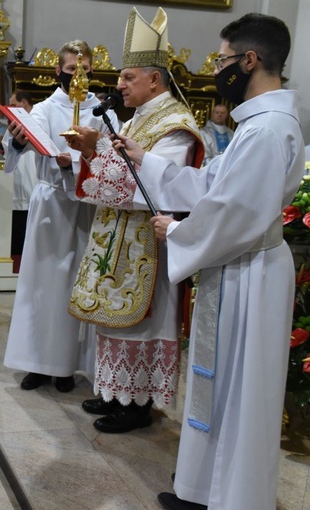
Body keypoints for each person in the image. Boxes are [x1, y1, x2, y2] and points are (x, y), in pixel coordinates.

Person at [113, 14, 303, 510]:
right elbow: (214, 185)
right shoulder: (257, 124)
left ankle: (234, 499)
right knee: (220, 386)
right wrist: (146, 161)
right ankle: (202, 489)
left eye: (221, 60)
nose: (216, 70)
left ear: (249, 60)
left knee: (242, 392)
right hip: (237, 268)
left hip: (252, 273)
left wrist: (178, 231)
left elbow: (238, 214)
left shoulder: (268, 131)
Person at [65, 7, 204, 433]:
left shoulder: (175, 125)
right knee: (113, 317)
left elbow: (163, 186)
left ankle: (138, 403)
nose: (119, 85)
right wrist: (95, 150)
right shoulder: (141, 116)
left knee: (143, 322)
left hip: (148, 242)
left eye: (127, 78)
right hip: (119, 235)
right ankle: (115, 391)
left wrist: (97, 149)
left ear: (154, 80)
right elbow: (121, 164)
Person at [3, 41, 118, 393]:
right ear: (58, 72)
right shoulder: (44, 109)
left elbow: (113, 156)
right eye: (71, 72)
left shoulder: (102, 111)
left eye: (84, 71)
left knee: (75, 287)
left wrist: (79, 162)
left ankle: (66, 366)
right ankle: (37, 364)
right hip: (51, 206)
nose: (77, 78)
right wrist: (18, 141)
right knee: (41, 286)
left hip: (87, 208)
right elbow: (19, 148)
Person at [4, 89, 37, 271]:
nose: (12, 109)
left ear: (24, 103)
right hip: (18, 188)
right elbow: (6, 149)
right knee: (18, 231)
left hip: (35, 183)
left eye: (14, 105)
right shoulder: (13, 126)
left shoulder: (40, 120)